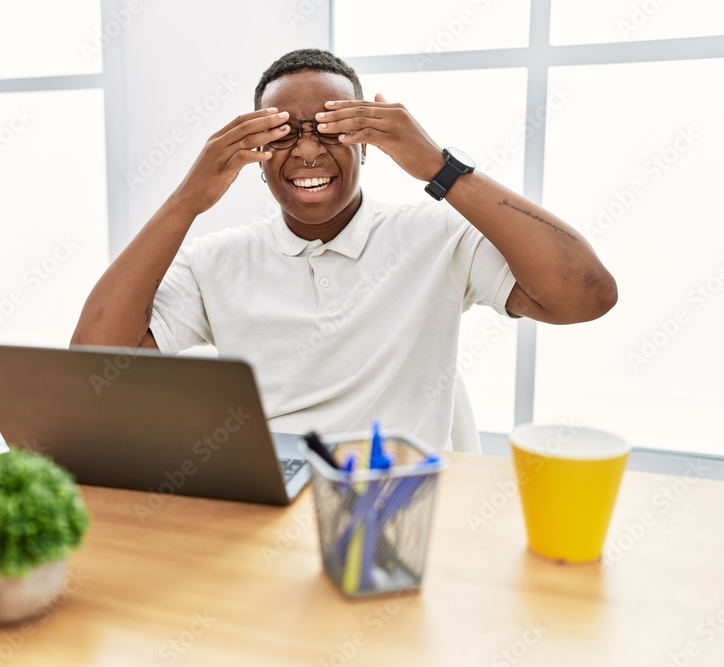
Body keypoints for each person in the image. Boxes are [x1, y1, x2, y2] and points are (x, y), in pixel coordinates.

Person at [71, 49, 617, 449]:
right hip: (271, 507)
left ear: (368, 143)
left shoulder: (438, 238)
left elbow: (586, 295)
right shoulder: (215, 261)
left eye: (331, 128)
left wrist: (440, 167)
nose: (308, 150)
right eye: (283, 134)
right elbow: (94, 364)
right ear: (255, 157)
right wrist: (186, 201)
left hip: (402, 500)